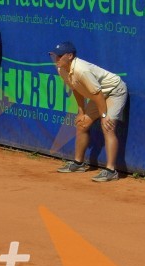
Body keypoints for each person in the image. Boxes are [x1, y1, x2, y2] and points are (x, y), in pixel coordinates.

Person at [50, 41, 127, 183]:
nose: (57, 59)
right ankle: (78, 164)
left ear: (70, 56)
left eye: (60, 56)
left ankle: (111, 171)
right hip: (99, 95)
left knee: (107, 127)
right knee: (82, 124)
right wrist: (81, 111)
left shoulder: (81, 70)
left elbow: (98, 94)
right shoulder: (61, 69)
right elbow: (75, 88)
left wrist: (104, 115)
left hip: (114, 91)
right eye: (55, 56)